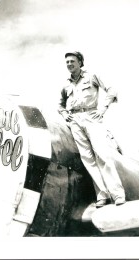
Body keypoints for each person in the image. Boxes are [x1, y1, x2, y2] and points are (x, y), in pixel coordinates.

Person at [58, 51, 126, 207]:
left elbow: (112, 90)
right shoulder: (66, 84)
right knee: (88, 159)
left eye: (72, 61)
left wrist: (102, 109)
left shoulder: (92, 76)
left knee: (102, 155)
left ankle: (117, 194)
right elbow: (60, 105)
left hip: (91, 117)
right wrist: (64, 114)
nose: (69, 64)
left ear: (80, 62)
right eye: (67, 62)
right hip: (75, 120)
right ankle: (102, 195)